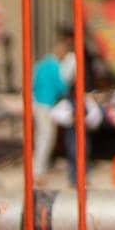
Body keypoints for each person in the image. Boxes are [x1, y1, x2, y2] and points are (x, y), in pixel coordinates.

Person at [30, 29, 73, 176]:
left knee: (40, 136)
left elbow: (32, 83)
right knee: (46, 137)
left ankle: (39, 167)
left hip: (37, 102)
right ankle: (38, 170)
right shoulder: (54, 66)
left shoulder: (41, 64)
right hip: (47, 104)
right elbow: (61, 87)